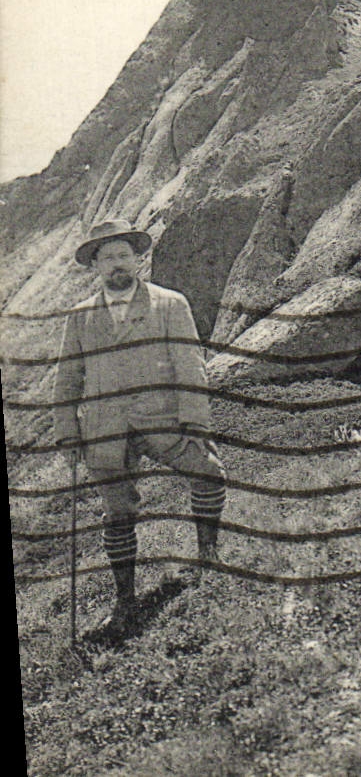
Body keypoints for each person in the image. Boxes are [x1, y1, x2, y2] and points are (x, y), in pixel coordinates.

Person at [52, 218, 226, 640]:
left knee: (209, 474)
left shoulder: (170, 304)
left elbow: (190, 365)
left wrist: (196, 420)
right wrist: (68, 434)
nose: (117, 265)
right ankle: (125, 599)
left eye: (124, 256)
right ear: (95, 265)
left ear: (138, 259)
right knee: (118, 514)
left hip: (163, 419)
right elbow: (67, 379)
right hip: (104, 430)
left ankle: (209, 556)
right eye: (107, 257)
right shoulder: (79, 318)